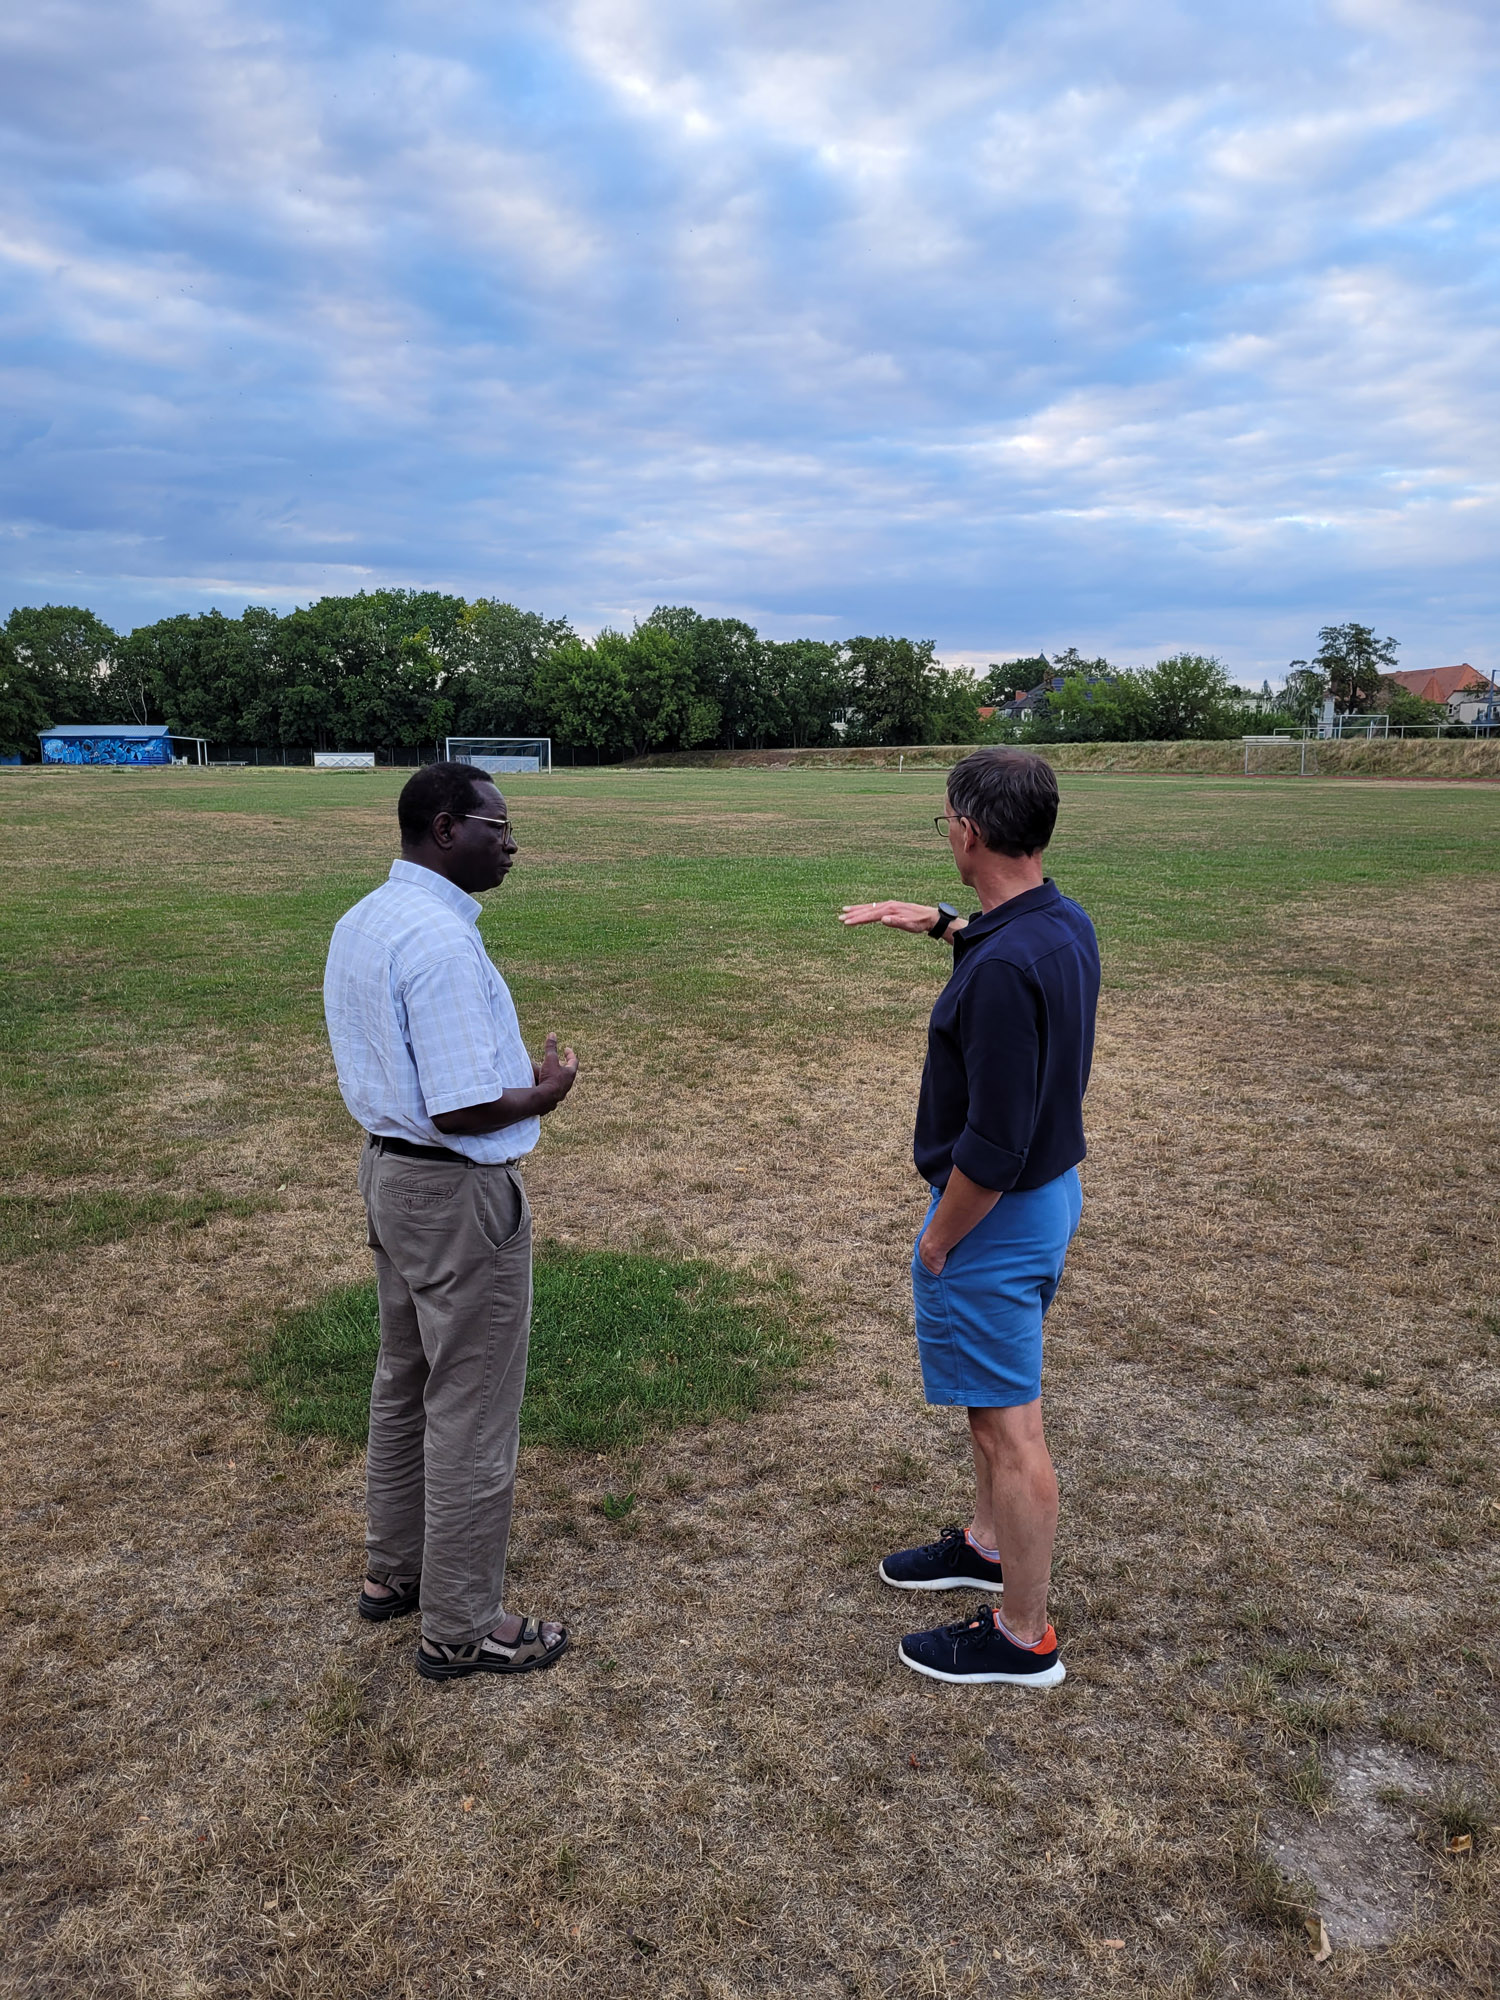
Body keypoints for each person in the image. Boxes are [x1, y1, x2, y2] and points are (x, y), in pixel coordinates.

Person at [840, 748, 1099, 1689]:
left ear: (970, 831)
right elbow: (1009, 967)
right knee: (994, 1410)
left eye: (945, 818)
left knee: (1008, 1428)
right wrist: (946, 924)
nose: (945, 831)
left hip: (996, 1214)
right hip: (1048, 1196)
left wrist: (939, 1240)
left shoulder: (1003, 968)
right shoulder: (1061, 923)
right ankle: (988, 1546)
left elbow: (990, 1145)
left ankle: (1022, 1637)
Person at [323, 761, 578, 1681]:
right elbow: (464, 1106)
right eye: (498, 829)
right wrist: (546, 1091)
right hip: (455, 1196)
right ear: (445, 829)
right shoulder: (438, 942)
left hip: (391, 1177)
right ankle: (462, 1625)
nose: (511, 846)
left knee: (406, 1378)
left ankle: (394, 1572)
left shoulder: (366, 919)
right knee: (470, 1404)